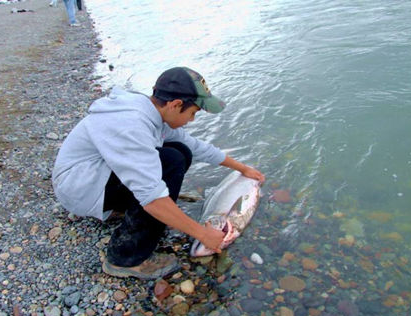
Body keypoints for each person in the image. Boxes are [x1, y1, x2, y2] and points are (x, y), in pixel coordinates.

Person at [52, 67, 265, 279]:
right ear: (175, 105)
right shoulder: (131, 125)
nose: (192, 120)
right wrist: (203, 235)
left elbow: (196, 147)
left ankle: (126, 211)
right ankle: (125, 259)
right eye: (193, 113)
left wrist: (242, 168)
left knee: (182, 151)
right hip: (78, 190)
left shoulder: (154, 113)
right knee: (172, 161)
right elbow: (152, 198)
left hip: (91, 179)